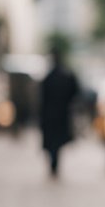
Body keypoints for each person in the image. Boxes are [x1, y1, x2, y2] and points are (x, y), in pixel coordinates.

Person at [39, 48, 80, 177]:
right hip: (61, 115)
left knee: (53, 142)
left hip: (50, 115)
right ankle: (54, 163)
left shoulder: (48, 78)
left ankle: (54, 163)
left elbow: (42, 99)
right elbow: (75, 92)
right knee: (56, 142)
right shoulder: (65, 76)